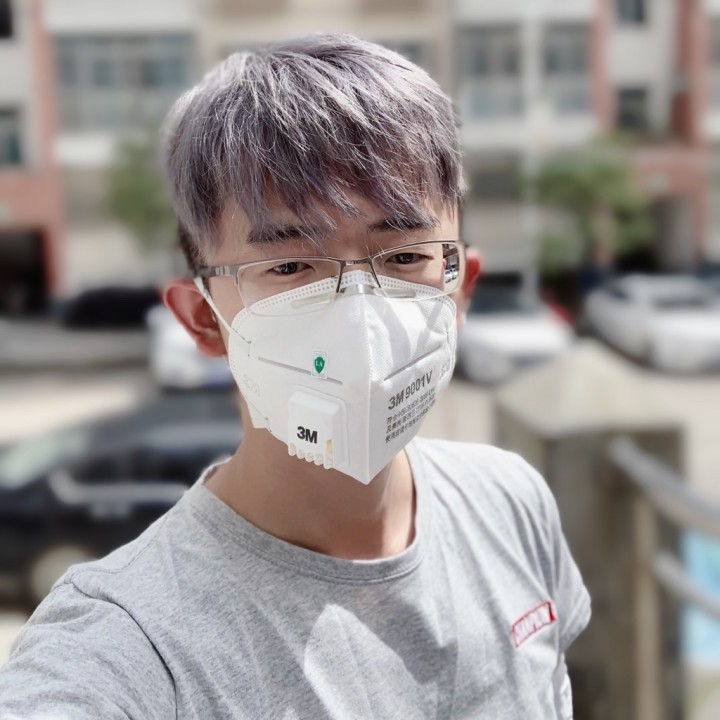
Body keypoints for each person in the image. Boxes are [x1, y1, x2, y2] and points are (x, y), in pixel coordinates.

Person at [0, 34, 590, 719]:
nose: (359, 314)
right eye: (289, 266)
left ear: (460, 288)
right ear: (204, 319)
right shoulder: (133, 644)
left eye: (403, 256)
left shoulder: (511, 504)